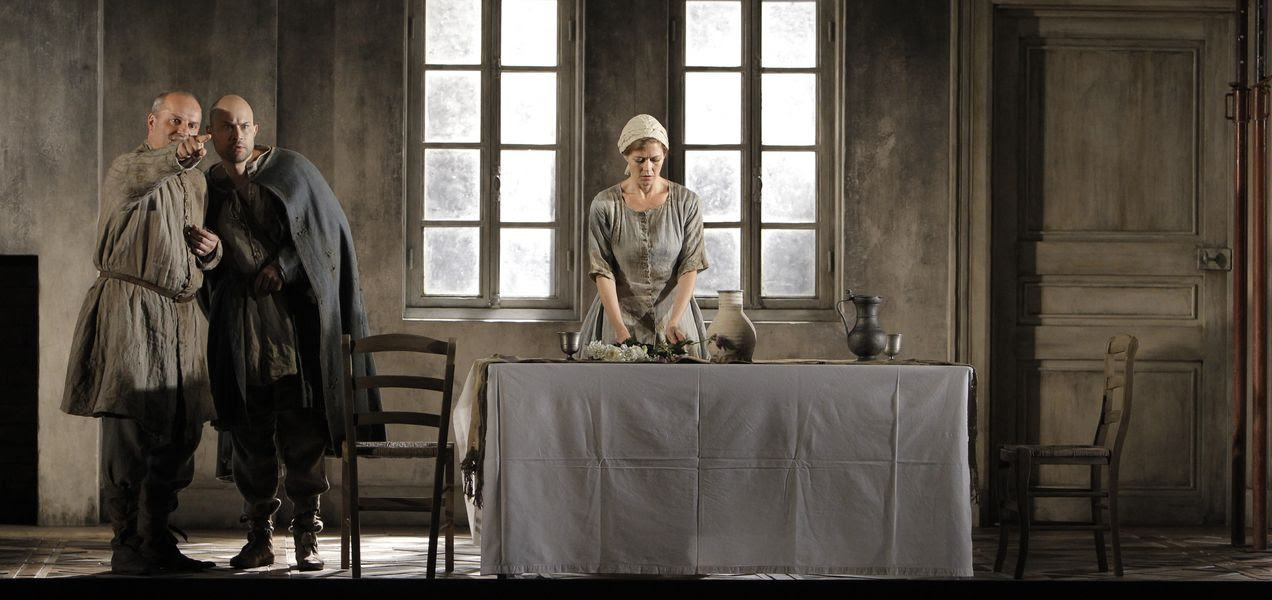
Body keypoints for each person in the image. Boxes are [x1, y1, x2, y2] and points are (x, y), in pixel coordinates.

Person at [202, 94, 379, 572]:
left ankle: (306, 533)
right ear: (212, 134)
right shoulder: (210, 188)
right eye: (226, 127)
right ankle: (259, 535)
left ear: (255, 129)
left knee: (302, 433)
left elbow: (322, 238)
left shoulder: (292, 171)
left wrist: (284, 266)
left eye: (243, 125)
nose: (236, 135)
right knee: (250, 437)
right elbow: (209, 267)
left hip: (293, 333)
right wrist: (212, 255)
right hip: (242, 333)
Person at [61, 91, 222, 574]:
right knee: (130, 428)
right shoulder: (127, 168)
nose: (184, 132)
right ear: (152, 121)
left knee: (181, 431)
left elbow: (192, 249)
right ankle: (127, 544)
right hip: (132, 310)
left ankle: (157, 541)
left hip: (181, 318)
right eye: (175, 121)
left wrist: (211, 252)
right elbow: (147, 175)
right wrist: (176, 157)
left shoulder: (197, 183)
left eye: (191, 125)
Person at [578, 114, 710, 358]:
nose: (647, 168)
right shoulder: (604, 204)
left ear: (664, 155)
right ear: (626, 156)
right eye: (639, 160)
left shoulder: (687, 202)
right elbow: (602, 269)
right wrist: (619, 329)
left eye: (655, 160)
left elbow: (690, 265)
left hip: (674, 317)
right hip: (618, 317)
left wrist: (674, 321)